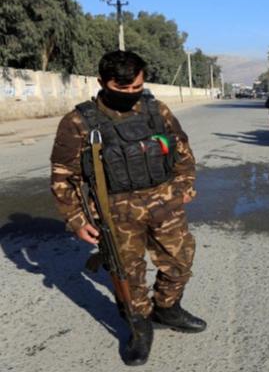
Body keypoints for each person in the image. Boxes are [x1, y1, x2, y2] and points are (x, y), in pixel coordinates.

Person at [50, 51, 206, 366]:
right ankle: (140, 325)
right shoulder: (78, 121)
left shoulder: (156, 110)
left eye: (137, 87)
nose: (131, 94)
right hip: (114, 212)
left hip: (165, 203)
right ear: (101, 82)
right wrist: (77, 219)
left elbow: (181, 150)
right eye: (122, 89)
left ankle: (168, 307)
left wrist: (184, 187)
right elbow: (63, 176)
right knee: (127, 274)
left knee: (180, 260)